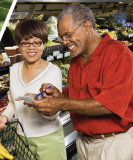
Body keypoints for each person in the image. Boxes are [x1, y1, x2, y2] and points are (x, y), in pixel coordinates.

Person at [27, 3, 133, 160]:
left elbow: (108, 104)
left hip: (112, 145)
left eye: (68, 35)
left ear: (87, 27)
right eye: (61, 37)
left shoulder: (118, 54)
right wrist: (59, 96)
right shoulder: (77, 61)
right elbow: (80, 97)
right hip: (83, 142)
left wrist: (61, 104)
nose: (64, 41)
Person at [0, 19, 66, 160]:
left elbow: (53, 114)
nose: (31, 48)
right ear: (19, 45)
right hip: (22, 139)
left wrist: (37, 102)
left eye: (37, 42)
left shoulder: (53, 71)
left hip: (48, 140)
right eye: (25, 43)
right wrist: (4, 117)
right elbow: (13, 102)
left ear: (44, 43)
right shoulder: (14, 70)